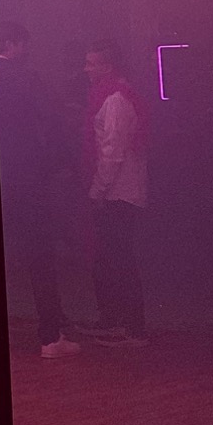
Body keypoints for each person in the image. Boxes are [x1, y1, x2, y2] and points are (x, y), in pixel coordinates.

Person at [0, 23, 79, 359]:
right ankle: (50, 337)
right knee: (40, 256)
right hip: (28, 180)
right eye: (24, 44)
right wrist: (60, 164)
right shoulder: (25, 78)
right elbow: (53, 122)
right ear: (13, 44)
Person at [82, 41, 149, 347]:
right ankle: (115, 321)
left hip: (118, 192)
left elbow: (112, 152)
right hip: (119, 191)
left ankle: (132, 328)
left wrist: (97, 190)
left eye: (91, 63)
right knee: (111, 259)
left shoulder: (115, 99)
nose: (86, 69)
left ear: (108, 67)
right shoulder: (115, 95)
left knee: (119, 260)